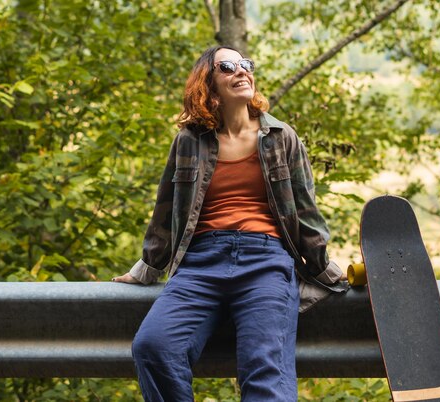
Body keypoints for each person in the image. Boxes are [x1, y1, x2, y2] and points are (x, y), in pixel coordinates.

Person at [113, 45, 348, 402]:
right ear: (209, 85)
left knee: (263, 370)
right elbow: (165, 212)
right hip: (199, 264)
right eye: (227, 67)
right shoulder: (189, 142)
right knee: (153, 347)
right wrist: (147, 268)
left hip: (265, 262)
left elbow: (305, 214)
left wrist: (327, 270)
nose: (241, 71)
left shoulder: (282, 138)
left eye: (245, 65)